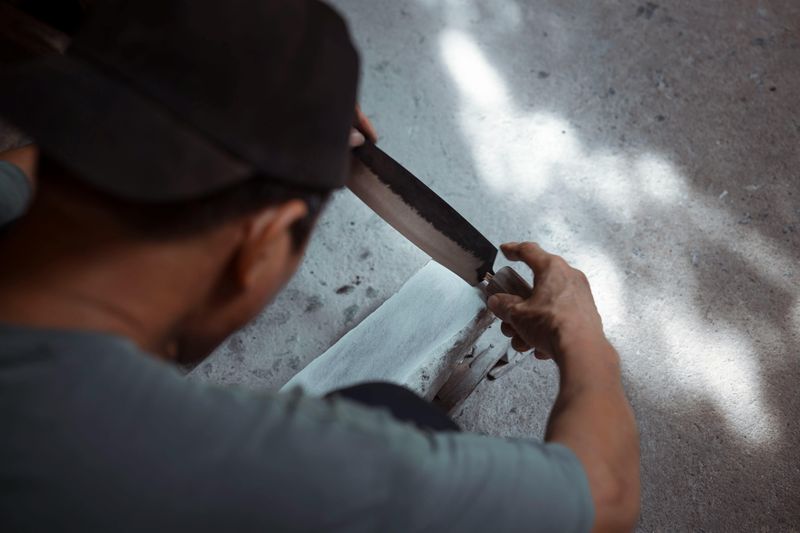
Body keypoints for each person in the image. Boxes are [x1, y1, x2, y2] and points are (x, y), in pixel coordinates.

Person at [0, 0, 640, 531]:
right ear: (263, 245)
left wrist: (219, 119)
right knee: (399, 418)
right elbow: (602, 499)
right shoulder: (208, 464)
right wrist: (584, 338)